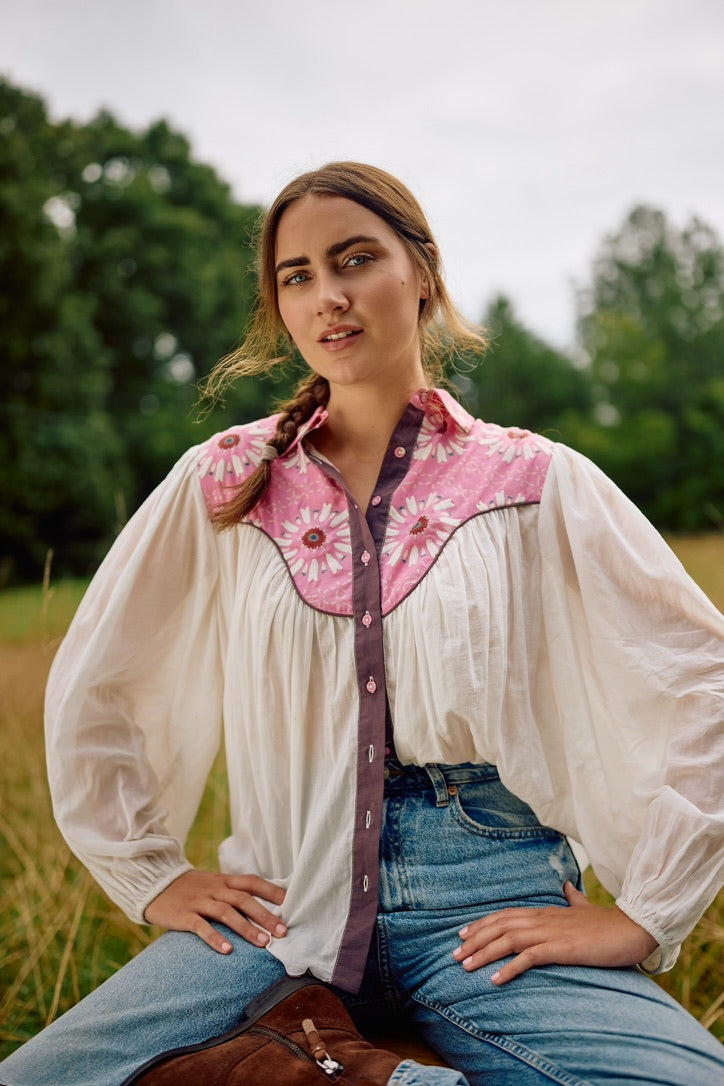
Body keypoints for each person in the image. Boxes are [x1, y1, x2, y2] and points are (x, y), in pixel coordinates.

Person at [1, 162, 722, 1086]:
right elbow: (100, 674)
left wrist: (645, 913)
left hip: (486, 905)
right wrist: (152, 874)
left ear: (421, 271)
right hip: (280, 908)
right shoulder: (223, 480)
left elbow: (706, 677)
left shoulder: (533, 479)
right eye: (297, 275)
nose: (328, 296)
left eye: (354, 260)